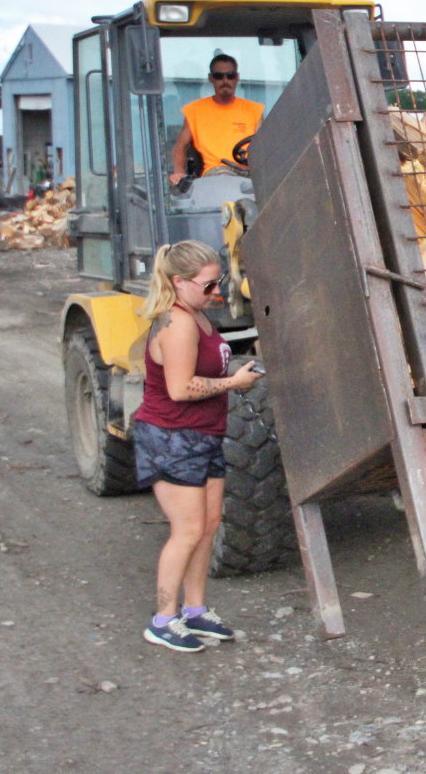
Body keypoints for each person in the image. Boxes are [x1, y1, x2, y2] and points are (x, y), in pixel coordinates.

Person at [134, 240, 263, 652]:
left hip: (203, 433)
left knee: (207, 527)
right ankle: (162, 620)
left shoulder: (200, 318)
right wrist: (233, 383)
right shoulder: (177, 323)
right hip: (171, 436)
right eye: (208, 286)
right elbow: (180, 387)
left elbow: (206, 365)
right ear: (179, 282)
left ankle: (195, 610)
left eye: (218, 282)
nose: (216, 293)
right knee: (187, 529)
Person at [169, 54, 264, 187]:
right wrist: (178, 172)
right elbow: (180, 147)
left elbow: (264, 148)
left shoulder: (254, 110)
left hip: (249, 171)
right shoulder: (195, 111)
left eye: (230, 76)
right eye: (219, 76)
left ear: (237, 77)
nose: (225, 81)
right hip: (216, 173)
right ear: (211, 78)